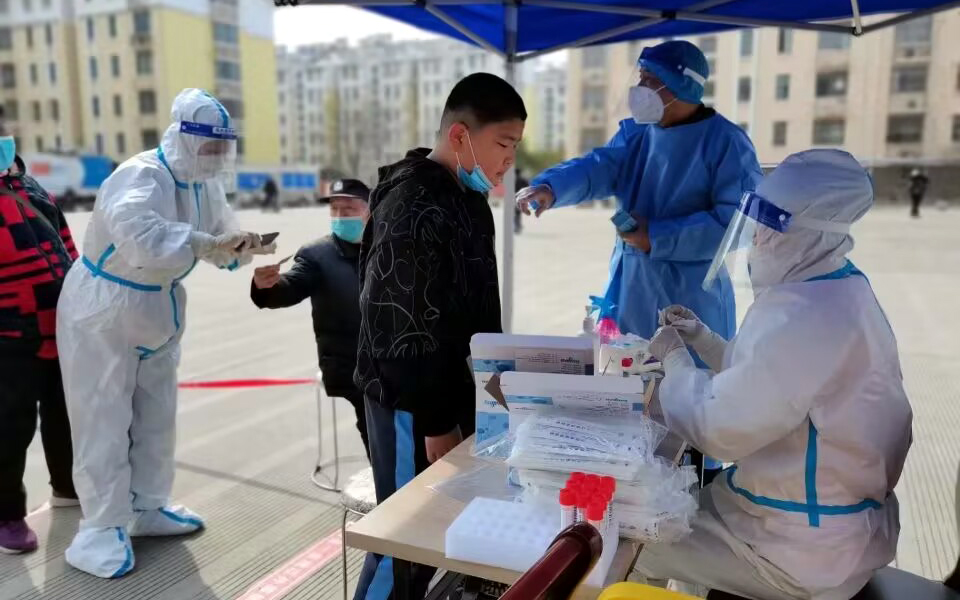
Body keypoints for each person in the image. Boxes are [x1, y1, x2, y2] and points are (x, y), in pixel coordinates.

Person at [643, 149, 913, 600]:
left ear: (811, 232)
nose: (757, 239)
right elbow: (768, 382)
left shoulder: (805, 316)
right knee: (664, 510)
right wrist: (704, 339)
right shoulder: (836, 286)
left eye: (771, 225)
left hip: (797, 547)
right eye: (756, 221)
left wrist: (673, 359)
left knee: (632, 539)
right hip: (823, 523)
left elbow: (718, 427)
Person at [55, 88, 275, 578]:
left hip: (158, 306)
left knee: (156, 414)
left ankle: (148, 505)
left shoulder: (203, 182)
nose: (217, 156)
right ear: (185, 137)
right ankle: (99, 528)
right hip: (104, 309)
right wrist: (205, 243)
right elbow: (140, 237)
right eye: (210, 146)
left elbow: (218, 234)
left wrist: (239, 248)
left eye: (223, 147)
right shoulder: (142, 174)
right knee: (102, 420)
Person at [353, 73, 525, 600]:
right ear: (459, 135)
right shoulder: (411, 204)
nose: (509, 161)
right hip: (413, 402)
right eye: (503, 144)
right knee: (406, 537)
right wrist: (435, 421)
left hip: (456, 392)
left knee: (442, 529)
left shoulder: (465, 196)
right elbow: (399, 327)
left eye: (515, 148)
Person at [516, 40, 762, 345]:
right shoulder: (637, 134)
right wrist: (552, 187)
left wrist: (656, 237)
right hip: (632, 291)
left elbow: (737, 224)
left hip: (692, 301)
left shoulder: (727, 143)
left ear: (682, 85)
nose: (640, 89)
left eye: (651, 80)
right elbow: (598, 167)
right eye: (641, 78)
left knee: (688, 372)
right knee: (625, 366)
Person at [0, 118, 80, 554]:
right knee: (10, 425)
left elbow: (67, 247)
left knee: (65, 412)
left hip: (59, 325)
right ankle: (6, 514)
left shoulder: (29, 187)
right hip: (9, 334)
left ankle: (67, 486)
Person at [250, 178, 372, 459]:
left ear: (370, 210)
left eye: (349, 209)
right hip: (353, 369)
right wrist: (266, 286)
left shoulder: (388, 247)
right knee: (380, 445)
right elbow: (291, 286)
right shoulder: (317, 255)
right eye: (335, 210)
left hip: (396, 366)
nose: (340, 217)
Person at [514, 168, 529, 234]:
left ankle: (517, 226)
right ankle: (518, 225)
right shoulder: (523, 180)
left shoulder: (513, 180)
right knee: (518, 212)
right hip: (521, 197)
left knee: (515, 212)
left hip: (514, 197)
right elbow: (527, 187)